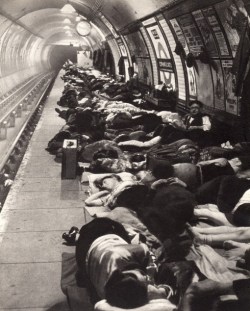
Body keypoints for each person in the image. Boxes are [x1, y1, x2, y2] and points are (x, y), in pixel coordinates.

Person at [75, 217, 174, 309]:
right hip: (96, 249)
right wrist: (154, 280)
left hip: (94, 237)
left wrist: (152, 278)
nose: (145, 278)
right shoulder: (107, 296)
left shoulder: (106, 296)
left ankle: (78, 236)